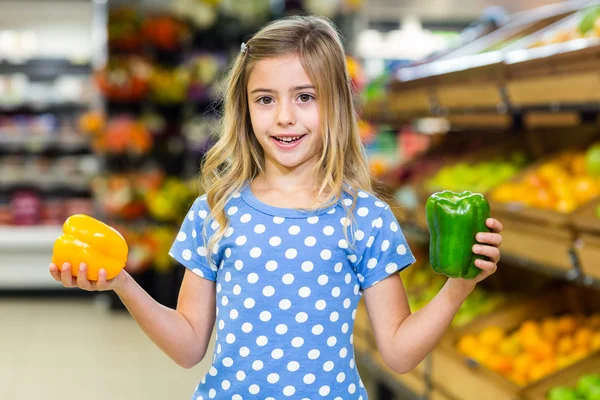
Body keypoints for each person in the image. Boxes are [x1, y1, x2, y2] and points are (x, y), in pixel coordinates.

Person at [49, 15, 503, 400]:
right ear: (244, 110)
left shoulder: (365, 219)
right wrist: (123, 284)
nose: (284, 116)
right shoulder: (215, 212)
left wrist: (457, 288)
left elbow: (400, 354)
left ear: (337, 107)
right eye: (265, 99)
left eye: (305, 97)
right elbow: (188, 347)